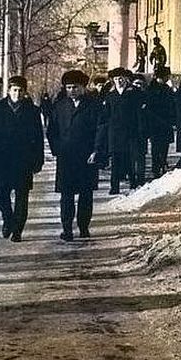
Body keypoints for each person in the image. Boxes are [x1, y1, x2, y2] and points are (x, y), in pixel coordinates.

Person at [47, 70, 106, 241]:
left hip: (87, 157)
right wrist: (57, 149)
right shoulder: (59, 106)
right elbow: (52, 131)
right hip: (66, 157)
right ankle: (67, 229)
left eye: (75, 87)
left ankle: (84, 227)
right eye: (69, 87)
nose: (72, 90)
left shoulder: (94, 105)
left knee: (86, 194)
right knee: (66, 195)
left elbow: (100, 129)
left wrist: (96, 150)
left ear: (83, 87)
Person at [0, 76, 43, 242]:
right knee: (1, 193)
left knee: (22, 196)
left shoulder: (32, 111)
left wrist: (39, 160)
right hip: (1, 159)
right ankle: (8, 219)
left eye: (20, 90)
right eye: (14, 90)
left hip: (23, 159)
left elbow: (38, 137)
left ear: (24, 92)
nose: (17, 93)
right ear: (8, 91)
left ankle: (17, 230)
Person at [101, 68, 142, 194]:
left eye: (121, 78)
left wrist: (140, 129)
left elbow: (139, 112)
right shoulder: (110, 95)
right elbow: (106, 115)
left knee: (130, 158)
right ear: (113, 80)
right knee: (115, 159)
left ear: (126, 79)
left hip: (130, 131)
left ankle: (133, 183)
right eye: (116, 79)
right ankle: (114, 186)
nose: (119, 81)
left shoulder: (134, 93)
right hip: (114, 132)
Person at [145, 66, 175, 178]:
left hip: (164, 122)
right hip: (156, 123)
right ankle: (156, 167)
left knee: (164, 146)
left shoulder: (166, 88)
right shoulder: (152, 89)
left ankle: (162, 164)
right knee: (157, 147)